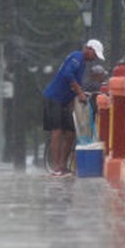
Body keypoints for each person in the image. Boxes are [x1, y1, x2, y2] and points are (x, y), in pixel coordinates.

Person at [42, 39, 105, 176]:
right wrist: (80, 92)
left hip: (65, 101)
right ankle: (56, 166)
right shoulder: (76, 57)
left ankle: (63, 166)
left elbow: (74, 82)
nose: (94, 58)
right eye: (94, 54)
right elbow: (67, 74)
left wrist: (75, 98)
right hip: (54, 98)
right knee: (57, 131)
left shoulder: (83, 64)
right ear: (88, 49)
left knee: (70, 132)